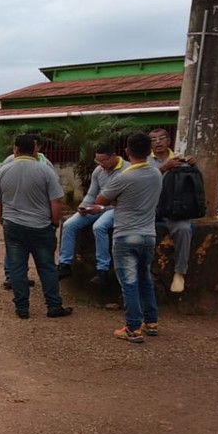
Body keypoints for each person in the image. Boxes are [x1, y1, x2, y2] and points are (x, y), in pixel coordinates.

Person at [0, 133, 73, 320]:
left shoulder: (2, 171)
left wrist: (3, 221)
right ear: (35, 150)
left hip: (13, 226)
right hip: (41, 226)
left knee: (17, 267)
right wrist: (54, 222)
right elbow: (56, 201)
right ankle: (53, 306)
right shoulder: (46, 170)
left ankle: (22, 308)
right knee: (47, 267)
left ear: (15, 149)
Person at [96, 132, 163, 343]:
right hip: (148, 235)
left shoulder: (123, 177)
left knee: (129, 283)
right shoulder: (156, 174)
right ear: (149, 151)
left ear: (127, 151)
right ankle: (151, 322)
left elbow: (101, 199)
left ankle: (132, 327)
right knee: (145, 279)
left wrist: (117, 202)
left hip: (126, 235)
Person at [57, 143, 126, 285]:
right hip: (98, 206)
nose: (101, 164)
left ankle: (102, 268)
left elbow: (122, 201)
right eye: (98, 161)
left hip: (117, 208)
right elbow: (91, 193)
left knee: (99, 226)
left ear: (114, 156)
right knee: (69, 224)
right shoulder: (99, 171)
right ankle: (65, 264)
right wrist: (83, 206)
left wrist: (100, 208)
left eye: (104, 160)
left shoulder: (126, 170)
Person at [148, 128, 196, 293]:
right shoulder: (145, 161)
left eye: (161, 138)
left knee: (183, 229)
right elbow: (143, 182)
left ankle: (180, 272)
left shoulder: (179, 159)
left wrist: (192, 167)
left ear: (168, 141)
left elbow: (191, 183)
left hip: (173, 208)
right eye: (154, 139)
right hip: (150, 207)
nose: (158, 142)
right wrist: (164, 168)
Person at [1, 136, 53, 289]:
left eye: (35, 145)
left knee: (29, 251)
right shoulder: (10, 161)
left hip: (37, 217)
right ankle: (11, 276)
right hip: (16, 214)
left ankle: (20, 289)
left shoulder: (45, 164)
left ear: (39, 147)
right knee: (14, 250)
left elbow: (53, 194)